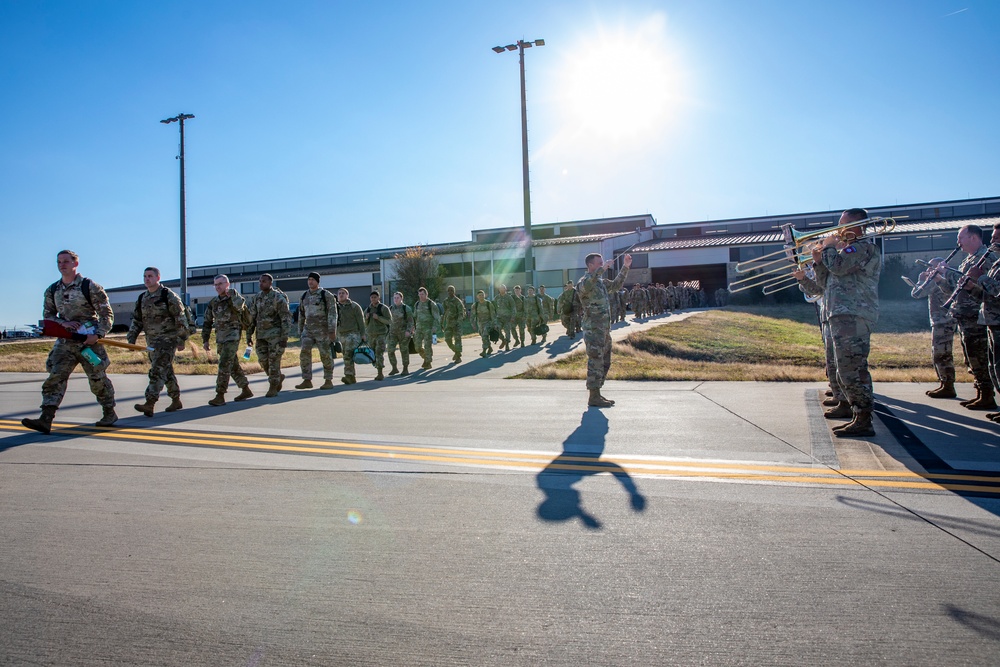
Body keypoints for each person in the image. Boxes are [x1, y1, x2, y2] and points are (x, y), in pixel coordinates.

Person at [21, 250, 118, 433]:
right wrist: (62, 323)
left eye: (66, 261)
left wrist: (97, 335)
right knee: (55, 377)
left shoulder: (89, 287)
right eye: (59, 262)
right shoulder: (52, 290)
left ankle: (109, 412)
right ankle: (46, 418)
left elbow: (107, 314)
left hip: (88, 341)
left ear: (75, 263)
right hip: (66, 342)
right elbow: (48, 315)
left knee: (97, 378)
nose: (62, 265)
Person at [810, 208, 881, 437]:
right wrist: (819, 261)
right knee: (842, 368)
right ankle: (848, 405)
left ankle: (863, 418)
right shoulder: (844, 251)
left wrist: (829, 247)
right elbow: (824, 283)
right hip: (840, 314)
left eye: (842, 224)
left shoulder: (862, 247)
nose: (838, 229)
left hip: (854, 314)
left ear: (857, 225)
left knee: (853, 368)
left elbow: (839, 267)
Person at [128, 266, 189, 416]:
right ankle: (176, 400)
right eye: (145, 276)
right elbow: (137, 320)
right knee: (166, 371)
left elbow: (180, 318)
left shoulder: (168, 295)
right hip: (152, 342)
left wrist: (181, 339)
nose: (147, 279)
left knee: (157, 371)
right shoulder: (142, 298)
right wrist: (131, 338)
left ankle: (150, 403)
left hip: (168, 341)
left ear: (158, 278)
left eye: (150, 276)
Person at [951, 225, 999, 410]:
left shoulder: (988, 258)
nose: (958, 243)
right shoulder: (971, 259)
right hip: (970, 315)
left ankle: (987, 395)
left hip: (979, 316)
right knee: (973, 358)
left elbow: (993, 291)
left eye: (961, 238)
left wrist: (977, 281)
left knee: (981, 358)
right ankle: (982, 393)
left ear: (972, 238)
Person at [577, 252, 632, 407]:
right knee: (595, 361)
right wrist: (603, 269)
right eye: (599, 263)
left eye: (603, 263)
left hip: (604, 330)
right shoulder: (584, 282)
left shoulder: (600, 282)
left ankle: (597, 393)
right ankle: (593, 396)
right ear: (590, 266)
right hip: (593, 330)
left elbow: (615, 286)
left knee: (605, 362)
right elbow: (589, 282)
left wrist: (625, 267)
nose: (603, 265)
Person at [201, 275, 253, 406]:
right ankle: (245, 389)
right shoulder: (213, 302)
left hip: (233, 337)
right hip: (220, 338)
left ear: (227, 284)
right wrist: (205, 339)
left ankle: (220, 395)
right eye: (216, 285)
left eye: (220, 284)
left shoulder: (234, 298)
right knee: (233, 365)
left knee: (224, 364)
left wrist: (233, 295)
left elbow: (240, 306)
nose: (218, 287)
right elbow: (207, 321)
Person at [966, 225, 1000, 420]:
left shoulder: (993, 262)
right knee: (994, 367)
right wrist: (971, 287)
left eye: (996, 238)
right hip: (991, 320)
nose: (993, 241)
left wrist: (982, 277)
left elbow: (997, 290)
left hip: (998, 321)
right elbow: (987, 295)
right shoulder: (997, 263)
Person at [911, 258, 958, 399]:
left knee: (943, 354)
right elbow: (916, 293)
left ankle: (948, 385)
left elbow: (919, 293)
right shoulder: (934, 279)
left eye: (931, 267)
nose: (929, 269)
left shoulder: (947, 278)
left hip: (946, 320)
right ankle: (944, 383)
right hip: (938, 321)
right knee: (937, 354)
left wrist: (929, 279)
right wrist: (921, 280)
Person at [247, 273, 292, 397]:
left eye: (264, 281)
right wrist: (248, 335)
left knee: (273, 361)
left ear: (270, 283)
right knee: (263, 361)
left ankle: (273, 386)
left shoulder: (278, 298)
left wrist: (284, 337)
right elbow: (252, 318)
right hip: (260, 336)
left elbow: (285, 318)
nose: (261, 283)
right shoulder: (257, 298)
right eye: (260, 281)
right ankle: (277, 377)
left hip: (275, 336)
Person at [296, 272, 337, 390]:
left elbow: (333, 314)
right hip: (308, 330)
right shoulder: (304, 296)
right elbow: (301, 314)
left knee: (325, 354)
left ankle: (328, 380)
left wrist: (332, 330)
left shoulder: (326, 295)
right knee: (304, 353)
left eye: (313, 280)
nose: (310, 282)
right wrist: (300, 329)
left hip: (323, 330)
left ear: (318, 282)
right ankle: (307, 379)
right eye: (309, 279)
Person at [336, 288, 367, 384]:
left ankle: (349, 376)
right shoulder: (335, 307)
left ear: (347, 295)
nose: (341, 295)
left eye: (343, 293)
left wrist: (363, 334)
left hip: (353, 334)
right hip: (341, 334)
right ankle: (351, 376)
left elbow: (361, 321)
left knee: (348, 354)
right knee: (346, 354)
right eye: (339, 293)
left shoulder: (354, 306)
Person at [364, 290, 392, 381]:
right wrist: (367, 318)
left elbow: (389, 321)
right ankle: (377, 366)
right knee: (372, 354)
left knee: (379, 352)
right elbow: (365, 324)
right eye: (372, 297)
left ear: (378, 298)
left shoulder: (383, 308)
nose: (373, 299)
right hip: (370, 335)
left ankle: (380, 373)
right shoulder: (368, 309)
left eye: (375, 297)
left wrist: (378, 318)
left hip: (381, 334)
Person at [387, 291, 415, 376]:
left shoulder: (406, 308)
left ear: (401, 298)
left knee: (404, 351)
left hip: (403, 333)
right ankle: (394, 368)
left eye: (397, 298)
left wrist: (408, 331)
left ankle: (405, 368)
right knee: (390, 350)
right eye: (394, 298)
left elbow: (411, 321)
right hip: (393, 333)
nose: (396, 299)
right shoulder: (391, 308)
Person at [413, 287, 441, 370]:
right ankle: (426, 357)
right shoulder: (417, 304)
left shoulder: (431, 304)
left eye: (423, 294)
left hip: (428, 328)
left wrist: (435, 327)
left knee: (427, 346)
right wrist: (413, 326)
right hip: (418, 328)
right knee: (417, 346)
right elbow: (415, 316)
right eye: (420, 294)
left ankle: (427, 362)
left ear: (426, 294)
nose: (421, 296)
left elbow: (437, 317)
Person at [441, 284, 466, 363]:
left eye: (452, 290)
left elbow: (461, 313)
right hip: (448, 324)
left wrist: (458, 322)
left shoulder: (457, 301)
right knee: (447, 339)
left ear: (454, 292)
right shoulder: (445, 301)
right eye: (449, 290)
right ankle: (456, 352)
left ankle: (458, 356)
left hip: (456, 324)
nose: (450, 292)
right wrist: (442, 322)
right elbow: (444, 312)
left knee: (457, 340)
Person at [472, 290, 497, 357]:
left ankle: (484, 351)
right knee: (483, 336)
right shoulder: (475, 305)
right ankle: (490, 348)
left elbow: (493, 314)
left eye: (482, 295)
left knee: (485, 335)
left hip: (488, 323)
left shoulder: (488, 304)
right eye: (480, 295)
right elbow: (472, 315)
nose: (481, 297)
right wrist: (473, 324)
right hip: (480, 324)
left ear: (484, 295)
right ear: (477, 297)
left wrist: (494, 323)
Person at [493, 284, 516, 351]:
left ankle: (507, 345)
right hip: (499, 318)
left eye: (503, 288)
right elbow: (493, 307)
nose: (501, 289)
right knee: (497, 329)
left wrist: (513, 316)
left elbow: (513, 307)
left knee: (507, 331)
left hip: (507, 318)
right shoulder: (496, 298)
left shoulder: (509, 297)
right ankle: (503, 340)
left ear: (505, 289)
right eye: (500, 288)